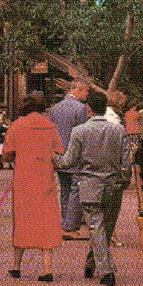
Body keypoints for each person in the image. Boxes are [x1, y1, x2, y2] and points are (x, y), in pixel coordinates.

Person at [55, 91, 131, 286]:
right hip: (114, 185)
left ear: (88, 108)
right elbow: (126, 162)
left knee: (97, 227)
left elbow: (68, 161)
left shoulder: (79, 132)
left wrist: (52, 158)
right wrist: (123, 180)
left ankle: (102, 268)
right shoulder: (119, 131)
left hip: (90, 185)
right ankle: (98, 264)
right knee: (106, 227)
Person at [2, 94, 63, 281]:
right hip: (45, 179)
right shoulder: (50, 127)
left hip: (23, 180)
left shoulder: (16, 126)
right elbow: (58, 152)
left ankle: (16, 266)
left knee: (21, 220)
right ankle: (46, 268)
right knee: (47, 221)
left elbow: (6, 154)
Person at [48, 79, 90, 238]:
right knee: (76, 189)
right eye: (85, 91)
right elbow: (84, 133)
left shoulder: (55, 109)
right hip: (75, 155)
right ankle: (70, 225)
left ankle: (64, 222)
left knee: (65, 189)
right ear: (78, 90)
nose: (86, 95)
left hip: (58, 155)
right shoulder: (81, 109)